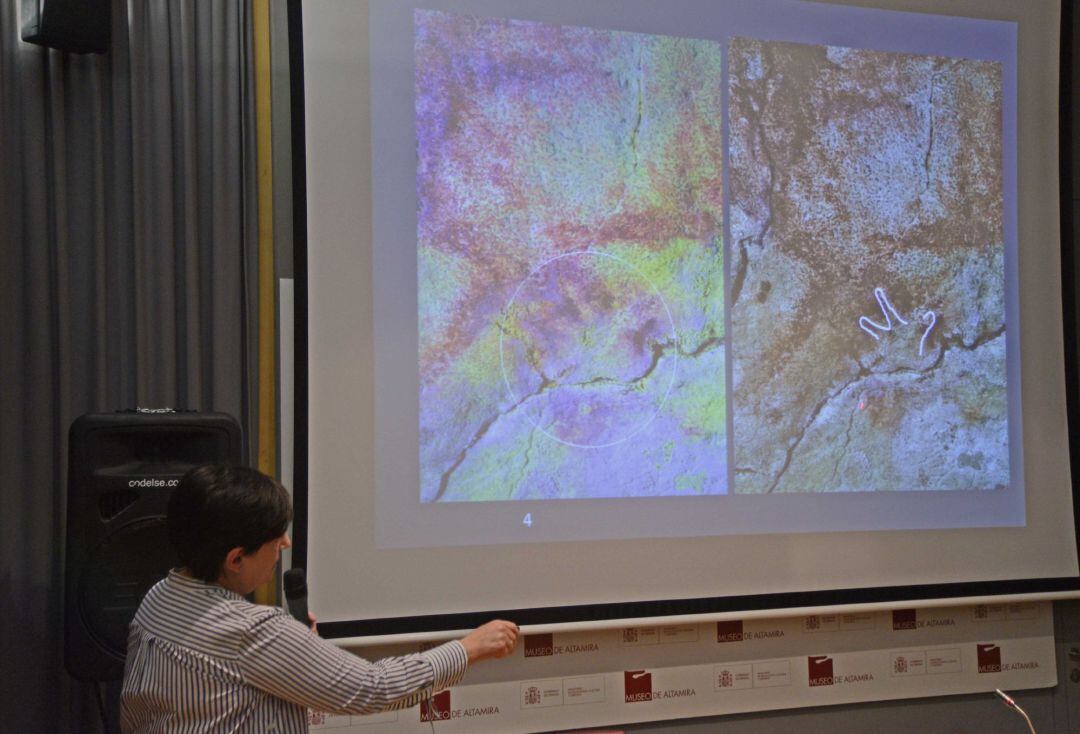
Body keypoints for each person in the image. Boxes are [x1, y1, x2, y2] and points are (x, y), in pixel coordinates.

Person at [120, 465, 518, 733]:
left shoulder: (159, 596)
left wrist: (294, 648)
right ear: (236, 558)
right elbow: (373, 687)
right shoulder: (252, 631)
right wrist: (469, 648)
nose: (286, 544)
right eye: (276, 541)